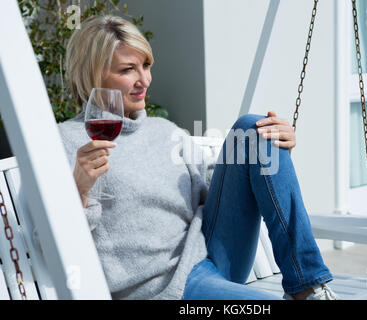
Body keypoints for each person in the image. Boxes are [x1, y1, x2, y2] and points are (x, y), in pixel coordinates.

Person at [59, 15, 338, 300]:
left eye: (146, 66)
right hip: (163, 292)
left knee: (254, 128)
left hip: (211, 258)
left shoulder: (165, 131)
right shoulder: (65, 142)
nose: (144, 80)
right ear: (93, 75)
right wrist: (78, 189)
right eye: (128, 69)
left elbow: (222, 190)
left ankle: (307, 286)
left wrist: (273, 152)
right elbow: (48, 245)